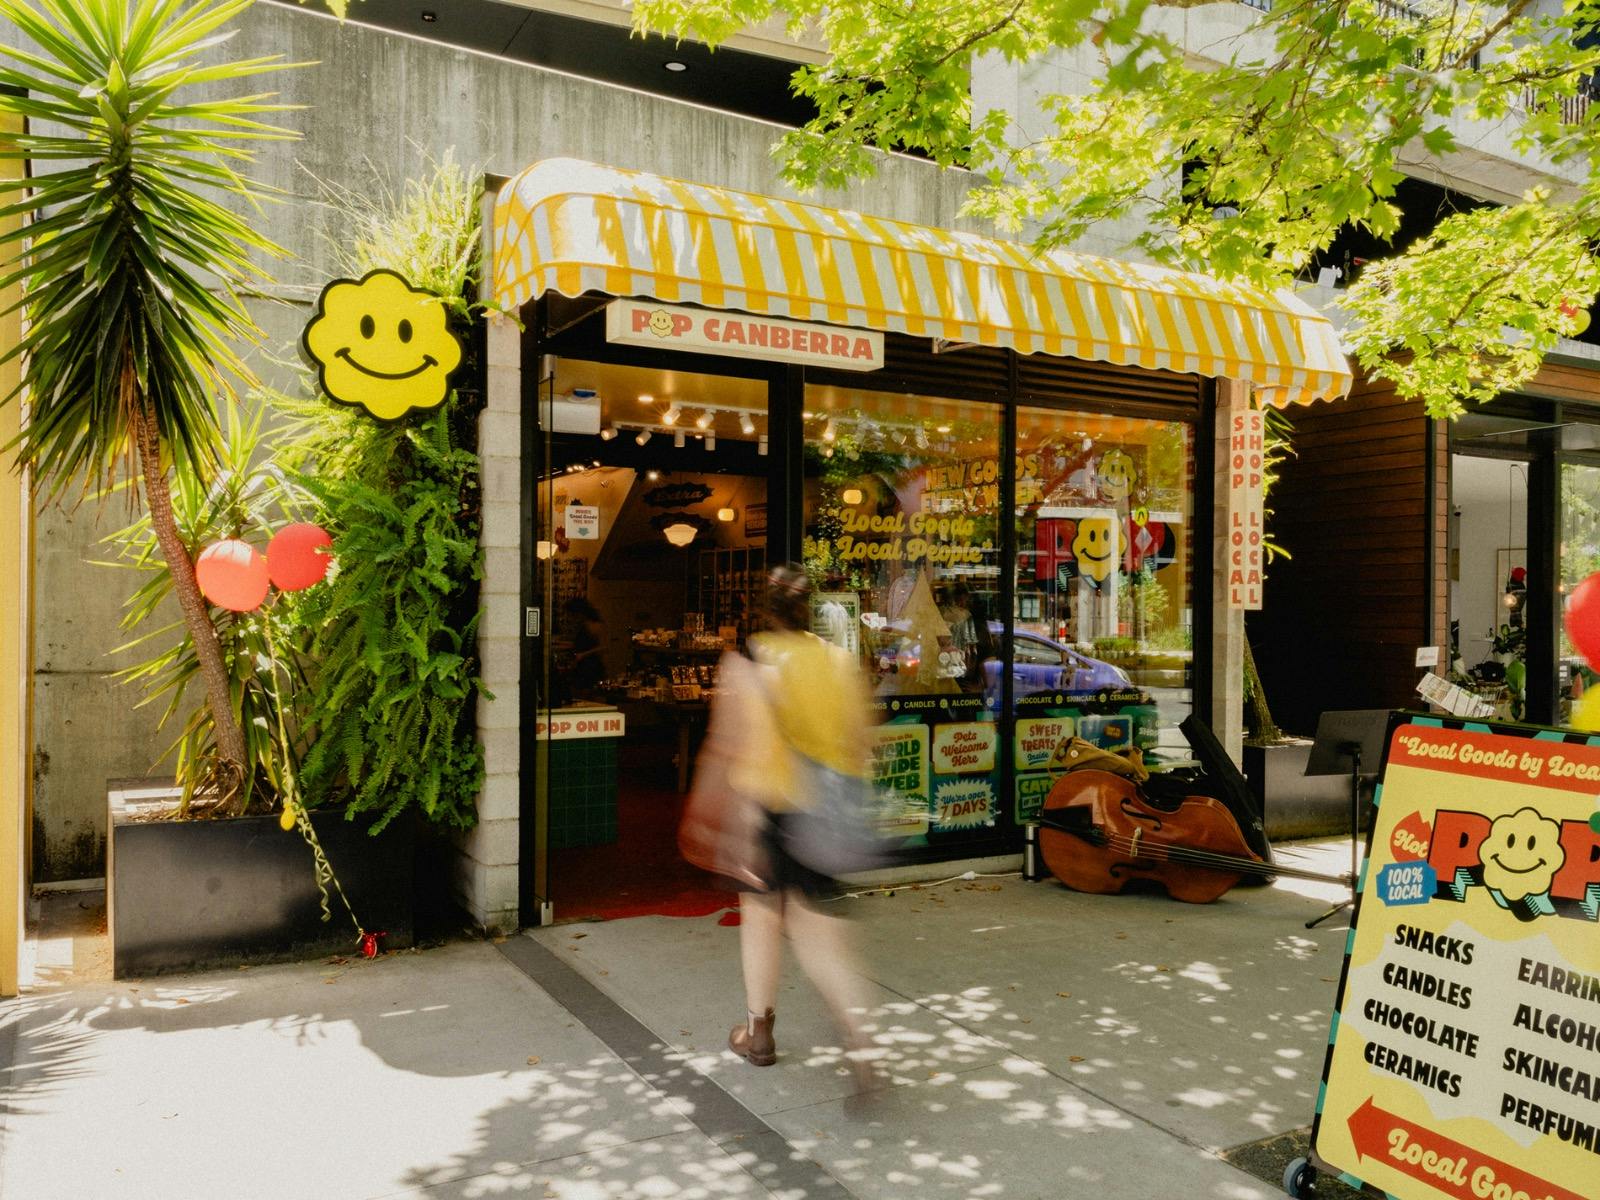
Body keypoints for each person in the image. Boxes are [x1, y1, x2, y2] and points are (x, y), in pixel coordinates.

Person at [723, 564, 880, 1086]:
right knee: (818, 933)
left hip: (769, 805)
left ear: (763, 607)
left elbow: (738, 742)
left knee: (761, 917)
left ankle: (758, 1034)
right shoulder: (838, 661)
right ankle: (860, 1042)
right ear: (811, 607)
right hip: (823, 810)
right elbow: (861, 739)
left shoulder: (753, 658)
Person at [563, 598, 606, 700]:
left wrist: (583, 655)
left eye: (572, 614)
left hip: (590, 667)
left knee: (586, 695)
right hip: (583, 666)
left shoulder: (593, 625)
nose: (571, 618)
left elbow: (603, 647)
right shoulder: (583, 625)